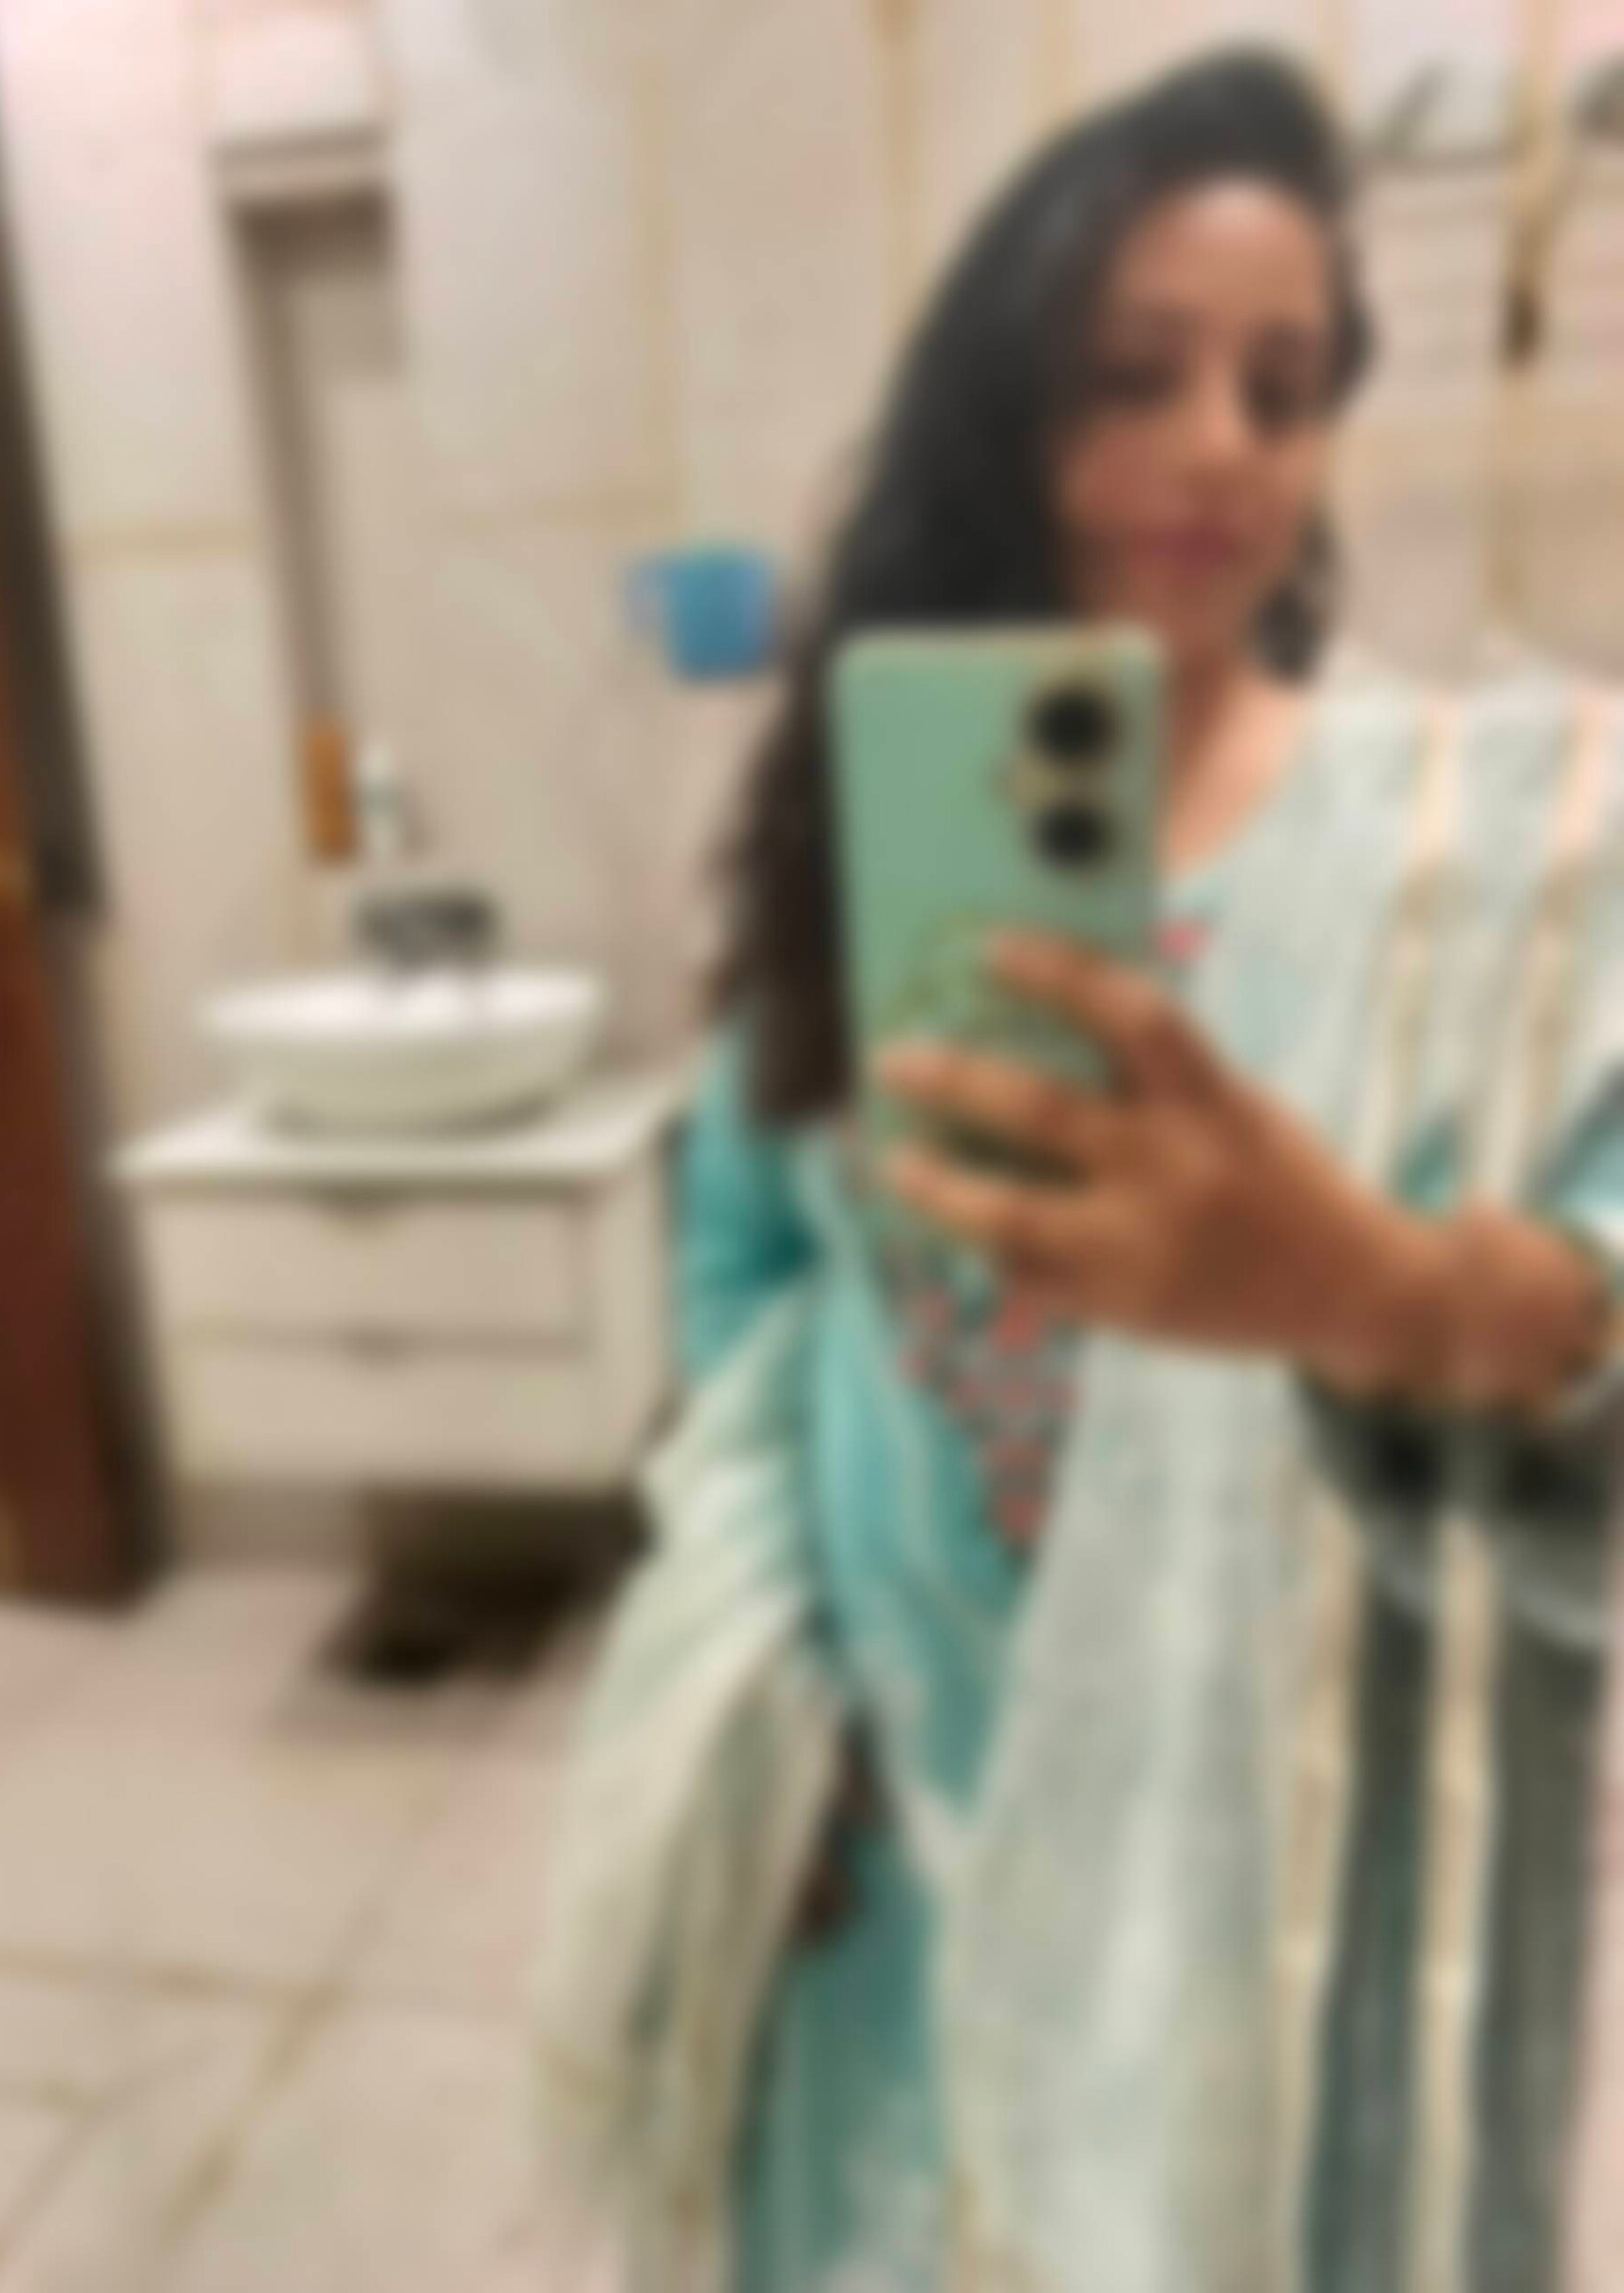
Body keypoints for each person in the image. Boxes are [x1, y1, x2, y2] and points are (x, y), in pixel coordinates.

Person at [669, 46, 1624, 2292]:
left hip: (1256, 1854)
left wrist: (1370, 1284)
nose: (1219, 448)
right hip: (895, 1822)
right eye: (1134, 375)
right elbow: (747, 1252)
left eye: (1281, 392)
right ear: (1000, 411)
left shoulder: (1477, 847)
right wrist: (769, 1661)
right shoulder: (877, 801)